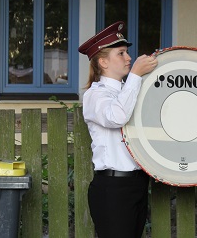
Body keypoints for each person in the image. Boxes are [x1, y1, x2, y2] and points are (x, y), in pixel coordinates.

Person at [78, 21, 158, 238]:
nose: (129, 58)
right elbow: (116, 117)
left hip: (136, 183)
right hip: (112, 187)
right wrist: (135, 76)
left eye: (127, 52)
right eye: (121, 53)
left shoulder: (128, 90)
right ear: (103, 62)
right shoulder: (95, 95)